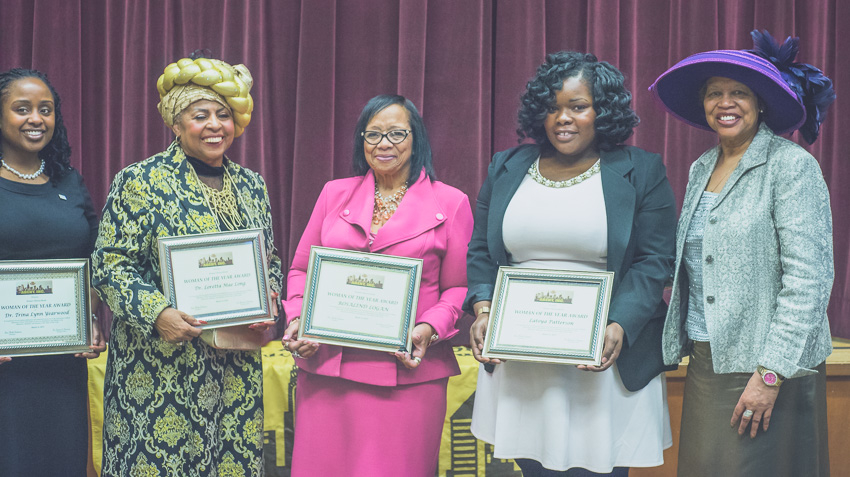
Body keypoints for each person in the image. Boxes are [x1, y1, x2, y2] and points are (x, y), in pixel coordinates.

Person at [467, 51, 676, 476]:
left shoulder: (641, 170)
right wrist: (483, 308)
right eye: (552, 107)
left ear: (603, 112)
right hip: (523, 360)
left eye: (578, 107)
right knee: (531, 466)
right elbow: (481, 251)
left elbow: (656, 260)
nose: (563, 118)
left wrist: (618, 324)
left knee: (599, 466)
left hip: (602, 357)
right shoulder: (506, 167)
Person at [649, 30, 835, 477]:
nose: (725, 103)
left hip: (770, 365)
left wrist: (771, 374)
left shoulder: (790, 166)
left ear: (761, 103)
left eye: (739, 93)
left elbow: (809, 279)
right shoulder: (700, 167)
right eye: (715, 93)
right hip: (708, 359)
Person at [91, 55, 283, 476]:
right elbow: (108, 264)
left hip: (235, 369)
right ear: (176, 125)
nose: (215, 125)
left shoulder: (252, 185)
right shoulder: (139, 180)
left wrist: (269, 297)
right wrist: (158, 314)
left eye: (223, 115)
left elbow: (269, 258)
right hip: (158, 367)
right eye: (200, 116)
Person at [282, 94, 473, 476]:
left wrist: (427, 329)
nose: (384, 144)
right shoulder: (334, 194)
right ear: (361, 142)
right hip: (327, 371)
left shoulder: (451, 203)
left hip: (407, 376)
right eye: (373, 135)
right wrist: (298, 318)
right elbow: (301, 270)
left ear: (416, 139)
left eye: (397, 133)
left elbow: (458, 289)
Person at [0, 68, 105, 475]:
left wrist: (89, 317)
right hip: (6, 364)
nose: (36, 119)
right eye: (21, 109)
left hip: (62, 359)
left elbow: (95, 257)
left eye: (46, 110)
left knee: (61, 460)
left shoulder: (68, 181)